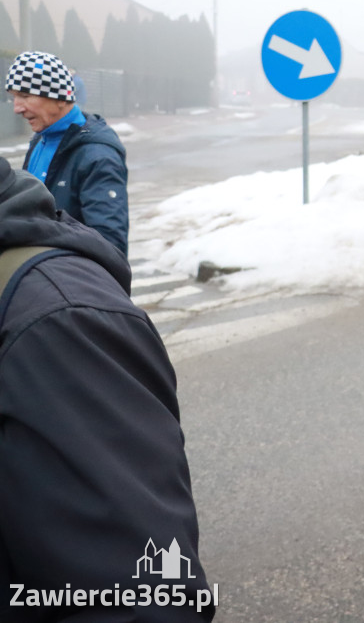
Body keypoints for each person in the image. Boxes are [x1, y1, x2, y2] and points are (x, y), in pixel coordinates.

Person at [0, 159, 215, 621]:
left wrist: (81, 270)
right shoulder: (45, 143)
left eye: (28, 93)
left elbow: (138, 600)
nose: (19, 105)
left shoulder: (59, 321)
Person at [6, 51, 129, 255]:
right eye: (14, 97)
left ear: (60, 97)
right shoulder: (40, 139)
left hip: (69, 283)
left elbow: (109, 247)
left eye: (25, 96)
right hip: (39, 276)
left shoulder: (97, 155)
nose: (17, 108)